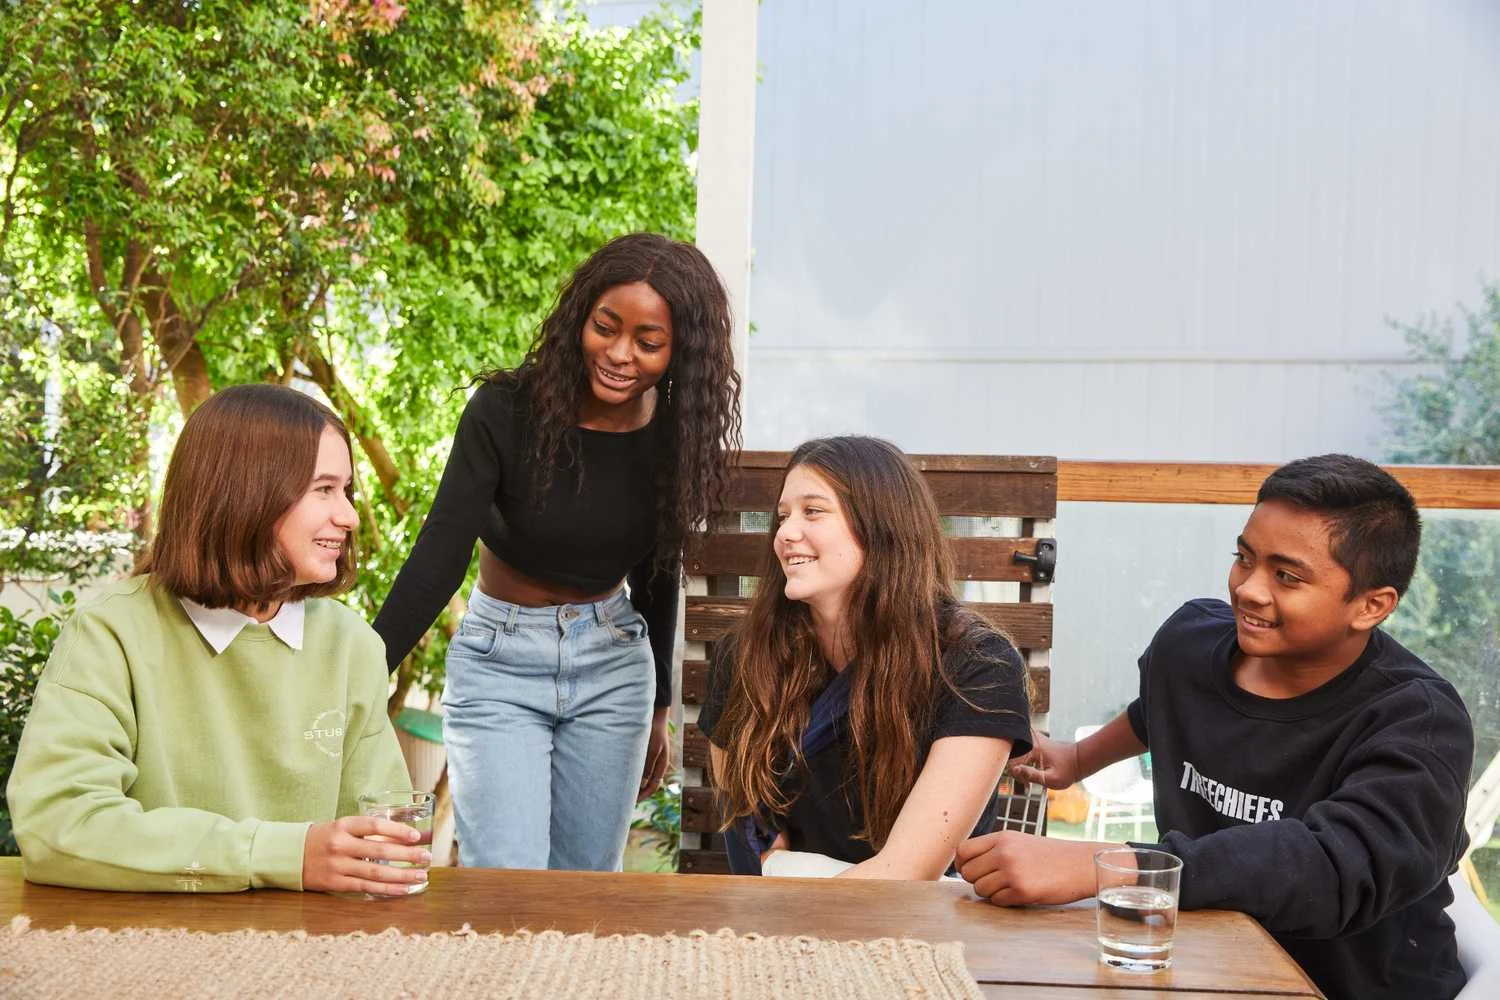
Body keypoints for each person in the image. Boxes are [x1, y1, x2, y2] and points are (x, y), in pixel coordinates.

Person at [957, 454, 1473, 1000]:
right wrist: (1079, 759)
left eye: (1287, 576)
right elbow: (1158, 710)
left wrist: (1121, 866)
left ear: (1371, 606)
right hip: (1200, 970)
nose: (1249, 589)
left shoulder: (1419, 722)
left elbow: (1337, 865)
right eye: (1243, 558)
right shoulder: (1189, 644)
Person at [373, 233, 742, 871]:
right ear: (582, 317)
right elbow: (439, 556)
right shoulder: (503, 412)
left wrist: (658, 708)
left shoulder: (674, 435)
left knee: (586, 892)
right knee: (508, 880)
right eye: (607, 327)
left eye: (649, 343)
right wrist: (361, 669)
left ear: (684, 351)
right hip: (500, 664)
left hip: (612, 665)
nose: (621, 354)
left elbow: (657, 573)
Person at [7, 384, 424, 896]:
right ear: (245, 493)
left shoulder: (351, 645)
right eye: (323, 489)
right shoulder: (110, 633)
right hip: (141, 948)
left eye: (346, 491)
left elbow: (380, 851)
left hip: (312, 953)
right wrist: (281, 855)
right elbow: (57, 826)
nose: (350, 517)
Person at [698, 436, 1033, 879]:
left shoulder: (977, 664)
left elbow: (907, 874)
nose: (785, 533)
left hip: (922, 931)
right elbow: (750, 837)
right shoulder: (742, 656)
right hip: (776, 919)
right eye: (782, 516)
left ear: (880, 526)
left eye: (812, 511)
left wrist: (788, 874)